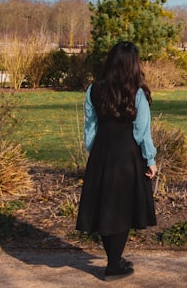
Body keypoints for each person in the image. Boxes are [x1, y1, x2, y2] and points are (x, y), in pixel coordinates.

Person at [75, 41, 157, 281]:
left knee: (105, 206)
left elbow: (90, 129)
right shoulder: (137, 92)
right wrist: (149, 159)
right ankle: (113, 264)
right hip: (126, 154)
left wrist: (96, 154)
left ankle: (114, 260)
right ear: (133, 65)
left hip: (102, 152)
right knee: (121, 207)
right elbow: (142, 130)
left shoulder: (94, 90)